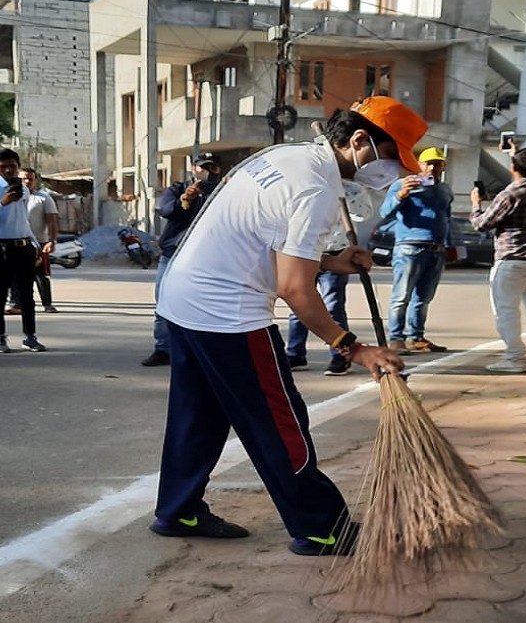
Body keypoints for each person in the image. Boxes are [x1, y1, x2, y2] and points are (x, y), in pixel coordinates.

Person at [151, 96, 418, 557]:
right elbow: (295, 290)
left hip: (183, 299)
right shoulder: (313, 188)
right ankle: (322, 527)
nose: (392, 171)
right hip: (228, 315)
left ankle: (178, 510)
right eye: (392, 157)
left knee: (197, 417)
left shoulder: (288, 156)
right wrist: (354, 349)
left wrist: (331, 261)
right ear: (358, 141)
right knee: (279, 422)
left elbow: (266, 243)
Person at [469, 145, 526, 374]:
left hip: (512, 259)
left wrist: (476, 204)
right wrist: (514, 154)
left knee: (506, 309)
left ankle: (515, 357)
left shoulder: (509, 194)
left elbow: (481, 224)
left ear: (514, 167)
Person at [140, 151, 221, 367]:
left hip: (205, 257)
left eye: (210, 168)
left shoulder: (223, 191)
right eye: (201, 167)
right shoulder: (178, 188)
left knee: (204, 304)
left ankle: (199, 350)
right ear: (194, 168)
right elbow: (166, 210)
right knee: (163, 301)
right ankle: (163, 349)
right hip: (173, 254)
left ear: (217, 170)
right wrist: (186, 198)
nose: (205, 172)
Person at [285, 180, 374, 377]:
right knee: (298, 302)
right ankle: (295, 353)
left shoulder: (352, 188)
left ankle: (340, 354)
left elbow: (364, 214)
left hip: (337, 251)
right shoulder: (307, 184)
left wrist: (345, 196)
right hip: (307, 251)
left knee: (333, 305)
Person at [378, 146, 456, 354]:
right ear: (419, 165)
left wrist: (450, 244)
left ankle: (416, 336)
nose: (432, 168)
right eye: (428, 163)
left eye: (437, 163)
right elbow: (385, 212)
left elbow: (446, 218)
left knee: (423, 298)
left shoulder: (445, 189)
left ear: (443, 166)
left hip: (436, 249)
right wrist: (402, 195)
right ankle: (396, 338)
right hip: (409, 248)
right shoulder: (403, 185)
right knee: (401, 295)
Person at [0, 149, 47, 353]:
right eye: (3, 166)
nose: (8, 170)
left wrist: (35, 245)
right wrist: (2, 202)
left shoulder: (24, 189)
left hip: (24, 246)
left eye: (12, 166)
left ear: (18, 166)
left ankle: (30, 336)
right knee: (0, 293)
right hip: (1, 246)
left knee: (26, 295)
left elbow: (22, 219)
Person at [7, 167, 59, 315]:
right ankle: (16, 304)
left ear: (35, 180)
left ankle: (47, 304)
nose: (27, 182)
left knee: (40, 275)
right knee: (15, 275)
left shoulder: (44, 198)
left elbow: (52, 221)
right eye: (23, 179)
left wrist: (52, 241)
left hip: (39, 243)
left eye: (30, 179)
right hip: (15, 242)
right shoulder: (11, 198)